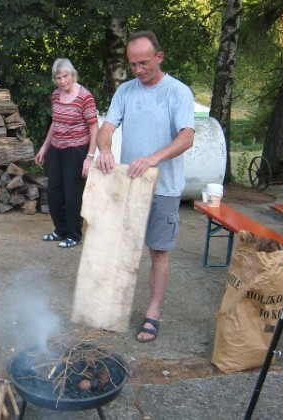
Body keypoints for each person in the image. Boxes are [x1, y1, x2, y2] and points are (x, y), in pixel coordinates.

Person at [95, 31, 195, 342]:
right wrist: (106, 149)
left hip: (164, 188)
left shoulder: (178, 92)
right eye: (133, 65)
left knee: (158, 252)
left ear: (159, 57)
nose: (138, 70)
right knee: (122, 249)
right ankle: (113, 308)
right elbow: (106, 127)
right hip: (129, 187)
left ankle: (152, 313)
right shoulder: (125, 91)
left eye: (143, 63)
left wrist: (153, 158)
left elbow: (187, 137)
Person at [35, 58, 98, 248]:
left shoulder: (84, 97)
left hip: (77, 151)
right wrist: (45, 147)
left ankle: (74, 234)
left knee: (72, 195)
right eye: (58, 77)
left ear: (73, 75)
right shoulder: (56, 95)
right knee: (54, 192)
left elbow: (94, 128)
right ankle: (60, 230)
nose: (62, 81)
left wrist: (89, 157)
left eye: (66, 76)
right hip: (57, 149)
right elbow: (55, 122)